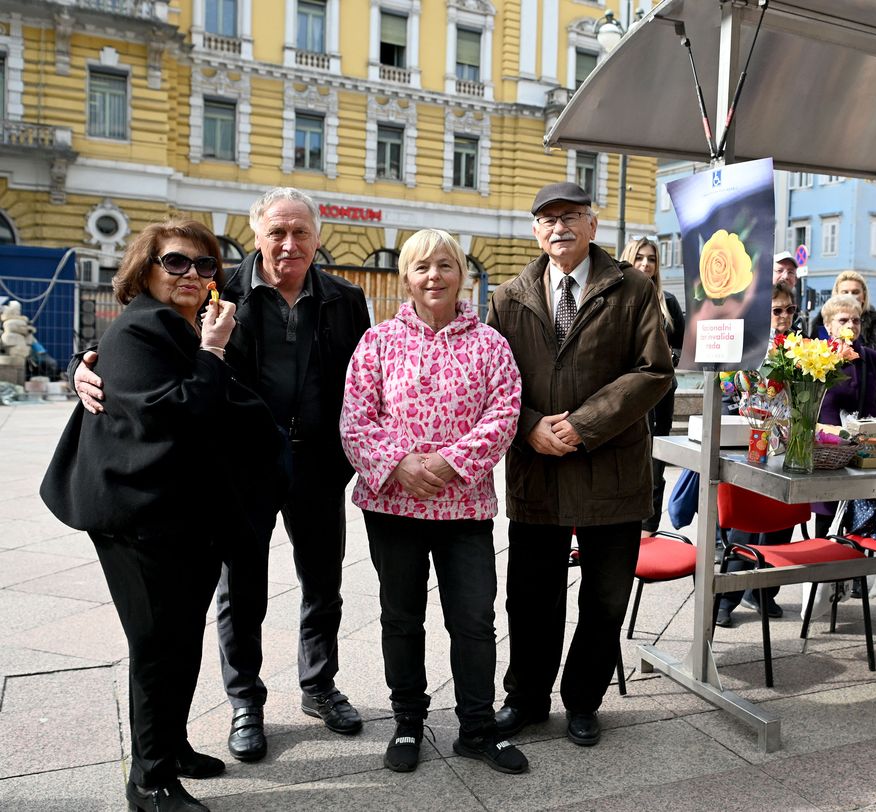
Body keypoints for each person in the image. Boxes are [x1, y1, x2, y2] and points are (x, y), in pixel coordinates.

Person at [74, 187, 372, 762]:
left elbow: (367, 371)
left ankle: (319, 686)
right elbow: (145, 339)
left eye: (300, 232)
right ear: (257, 234)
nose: (289, 244)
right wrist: (80, 365)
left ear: (317, 236)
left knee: (323, 584)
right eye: (277, 232)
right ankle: (245, 701)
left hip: (316, 466)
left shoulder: (345, 298)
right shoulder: (218, 289)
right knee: (240, 591)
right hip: (241, 472)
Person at [43, 220, 286, 812]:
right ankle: (148, 782)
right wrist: (212, 351)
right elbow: (176, 416)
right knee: (157, 646)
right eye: (176, 263)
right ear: (145, 269)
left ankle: (171, 747)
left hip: (184, 516)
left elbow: (222, 401)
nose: (192, 276)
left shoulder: (181, 327)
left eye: (206, 267)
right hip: (137, 516)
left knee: (179, 639)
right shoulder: (140, 330)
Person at [486, 182, 673, 747]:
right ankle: (526, 698)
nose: (559, 228)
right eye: (547, 219)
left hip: (610, 469)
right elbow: (491, 381)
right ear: (535, 230)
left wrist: (583, 425)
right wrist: (528, 425)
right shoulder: (509, 296)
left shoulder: (632, 288)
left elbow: (653, 371)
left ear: (593, 225)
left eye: (571, 217)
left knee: (605, 597)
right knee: (530, 595)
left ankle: (584, 700)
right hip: (536, 469)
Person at [340, 229, 527, 774]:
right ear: (406, 278)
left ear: (461, 275)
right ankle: (407, 720)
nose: (434, 277)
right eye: (422, 267)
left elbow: (504, 414)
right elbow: (356, 419)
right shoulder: (377, 342)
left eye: (445, 265)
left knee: (472, 619)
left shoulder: (489, 344)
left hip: (462, 507)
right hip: (393, 507)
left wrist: (450, 464)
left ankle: (476, 727)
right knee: (401, 617)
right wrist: (400, 464)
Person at [714, 283, 800, 628]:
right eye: (777, 310)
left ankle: (764, 592)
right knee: (746, 527)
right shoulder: (746, 346)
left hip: (785, 442)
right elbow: (727, 393)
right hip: (750, 443)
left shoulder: (798, 347)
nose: (784, 317)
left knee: (781, 521)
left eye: (789, 310)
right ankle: (727, 598)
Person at [809, 294, 876, 540]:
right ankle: (824, 577)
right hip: (827, 456)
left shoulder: (872, 358)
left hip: (864, 456)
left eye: (856, 320)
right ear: (828, 325)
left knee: (863, 528)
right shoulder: (816, 357)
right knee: (826, 529)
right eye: (843, 320)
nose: (851, 326)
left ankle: (855, 578)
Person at [621, 237, 685, 537]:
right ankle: (623, 522)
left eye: (651, 259)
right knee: (629, 457)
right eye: (639, 258)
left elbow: (682, 343)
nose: (645, 264)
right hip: (629, 392)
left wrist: (669, 356)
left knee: (656, 458)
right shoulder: (617, 298)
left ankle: (649, 527)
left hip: (662, 391)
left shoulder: (667, 301)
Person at [809, 271, 876, 355]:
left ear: (864, 297)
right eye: (845, 292)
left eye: (855, 292)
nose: (850, 296)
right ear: (836, 295)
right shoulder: (821, 325)